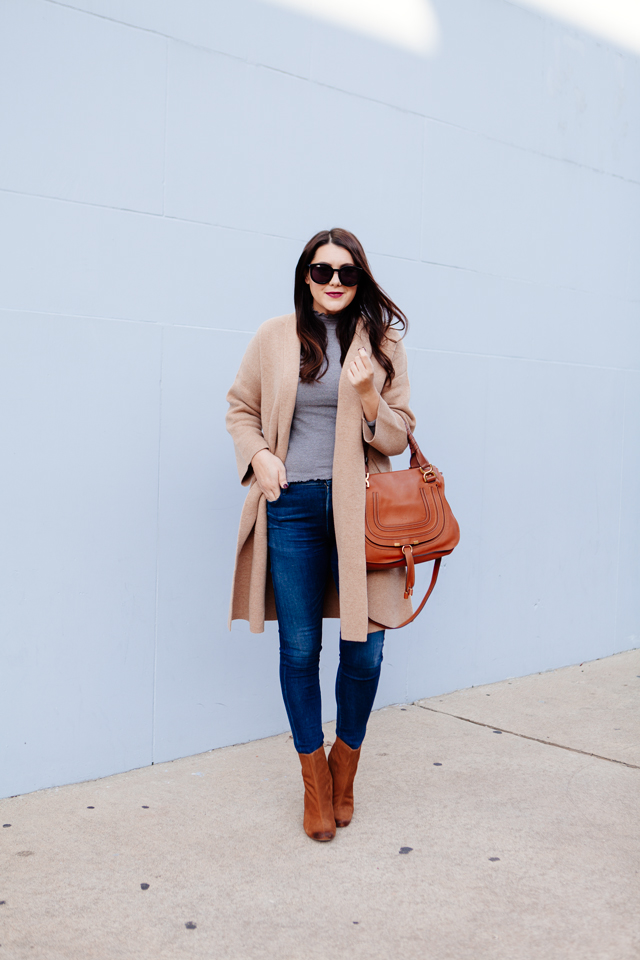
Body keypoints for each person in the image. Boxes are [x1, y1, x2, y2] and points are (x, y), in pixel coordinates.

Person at [226, 228, 415, 841]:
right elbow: (240, 408)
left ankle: (345, 767)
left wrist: (366, 395)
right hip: (294, 506)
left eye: (347, 272)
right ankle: (314, 783)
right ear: (305, 275)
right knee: (300, 649)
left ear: (360, 278)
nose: (334, 282)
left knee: (367, 649)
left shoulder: (382, 342)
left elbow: (398, 434)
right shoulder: (274, 337)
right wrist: (260, 458)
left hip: (363, 511)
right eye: (321, 270)